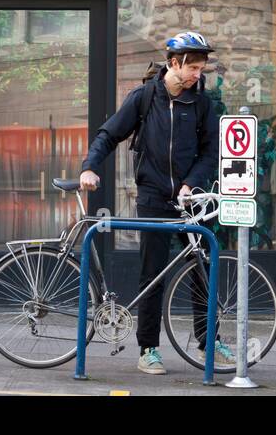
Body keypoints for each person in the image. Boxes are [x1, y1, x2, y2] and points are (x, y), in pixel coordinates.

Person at [79, 29, 231, 374]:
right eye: (193, 68)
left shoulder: (202, 104)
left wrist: (192, 183)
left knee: (203, 270)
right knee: (152, 275)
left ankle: (210, 342)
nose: (197, 75)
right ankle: (148, 349)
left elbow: (211, 152)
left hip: (192, 202)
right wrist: (89, 167)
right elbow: (110, 134)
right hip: (153, 198)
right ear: (174, 63)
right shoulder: (144, 98)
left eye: (201, 69)